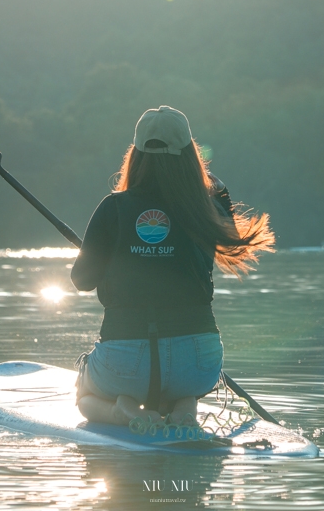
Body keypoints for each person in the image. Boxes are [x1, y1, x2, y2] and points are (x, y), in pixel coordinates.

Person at [71, 105, 275, 428]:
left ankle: (120, 411)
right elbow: (225, 214)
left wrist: (108, 257)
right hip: (197, 364)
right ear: (190, 156)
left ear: (135, 155)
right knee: (181, 382)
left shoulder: (113, 209)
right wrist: (209, 185)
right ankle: (183, 409)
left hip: (125, 362)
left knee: (83, 392)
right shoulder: (207, 208)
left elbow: (80, 280)